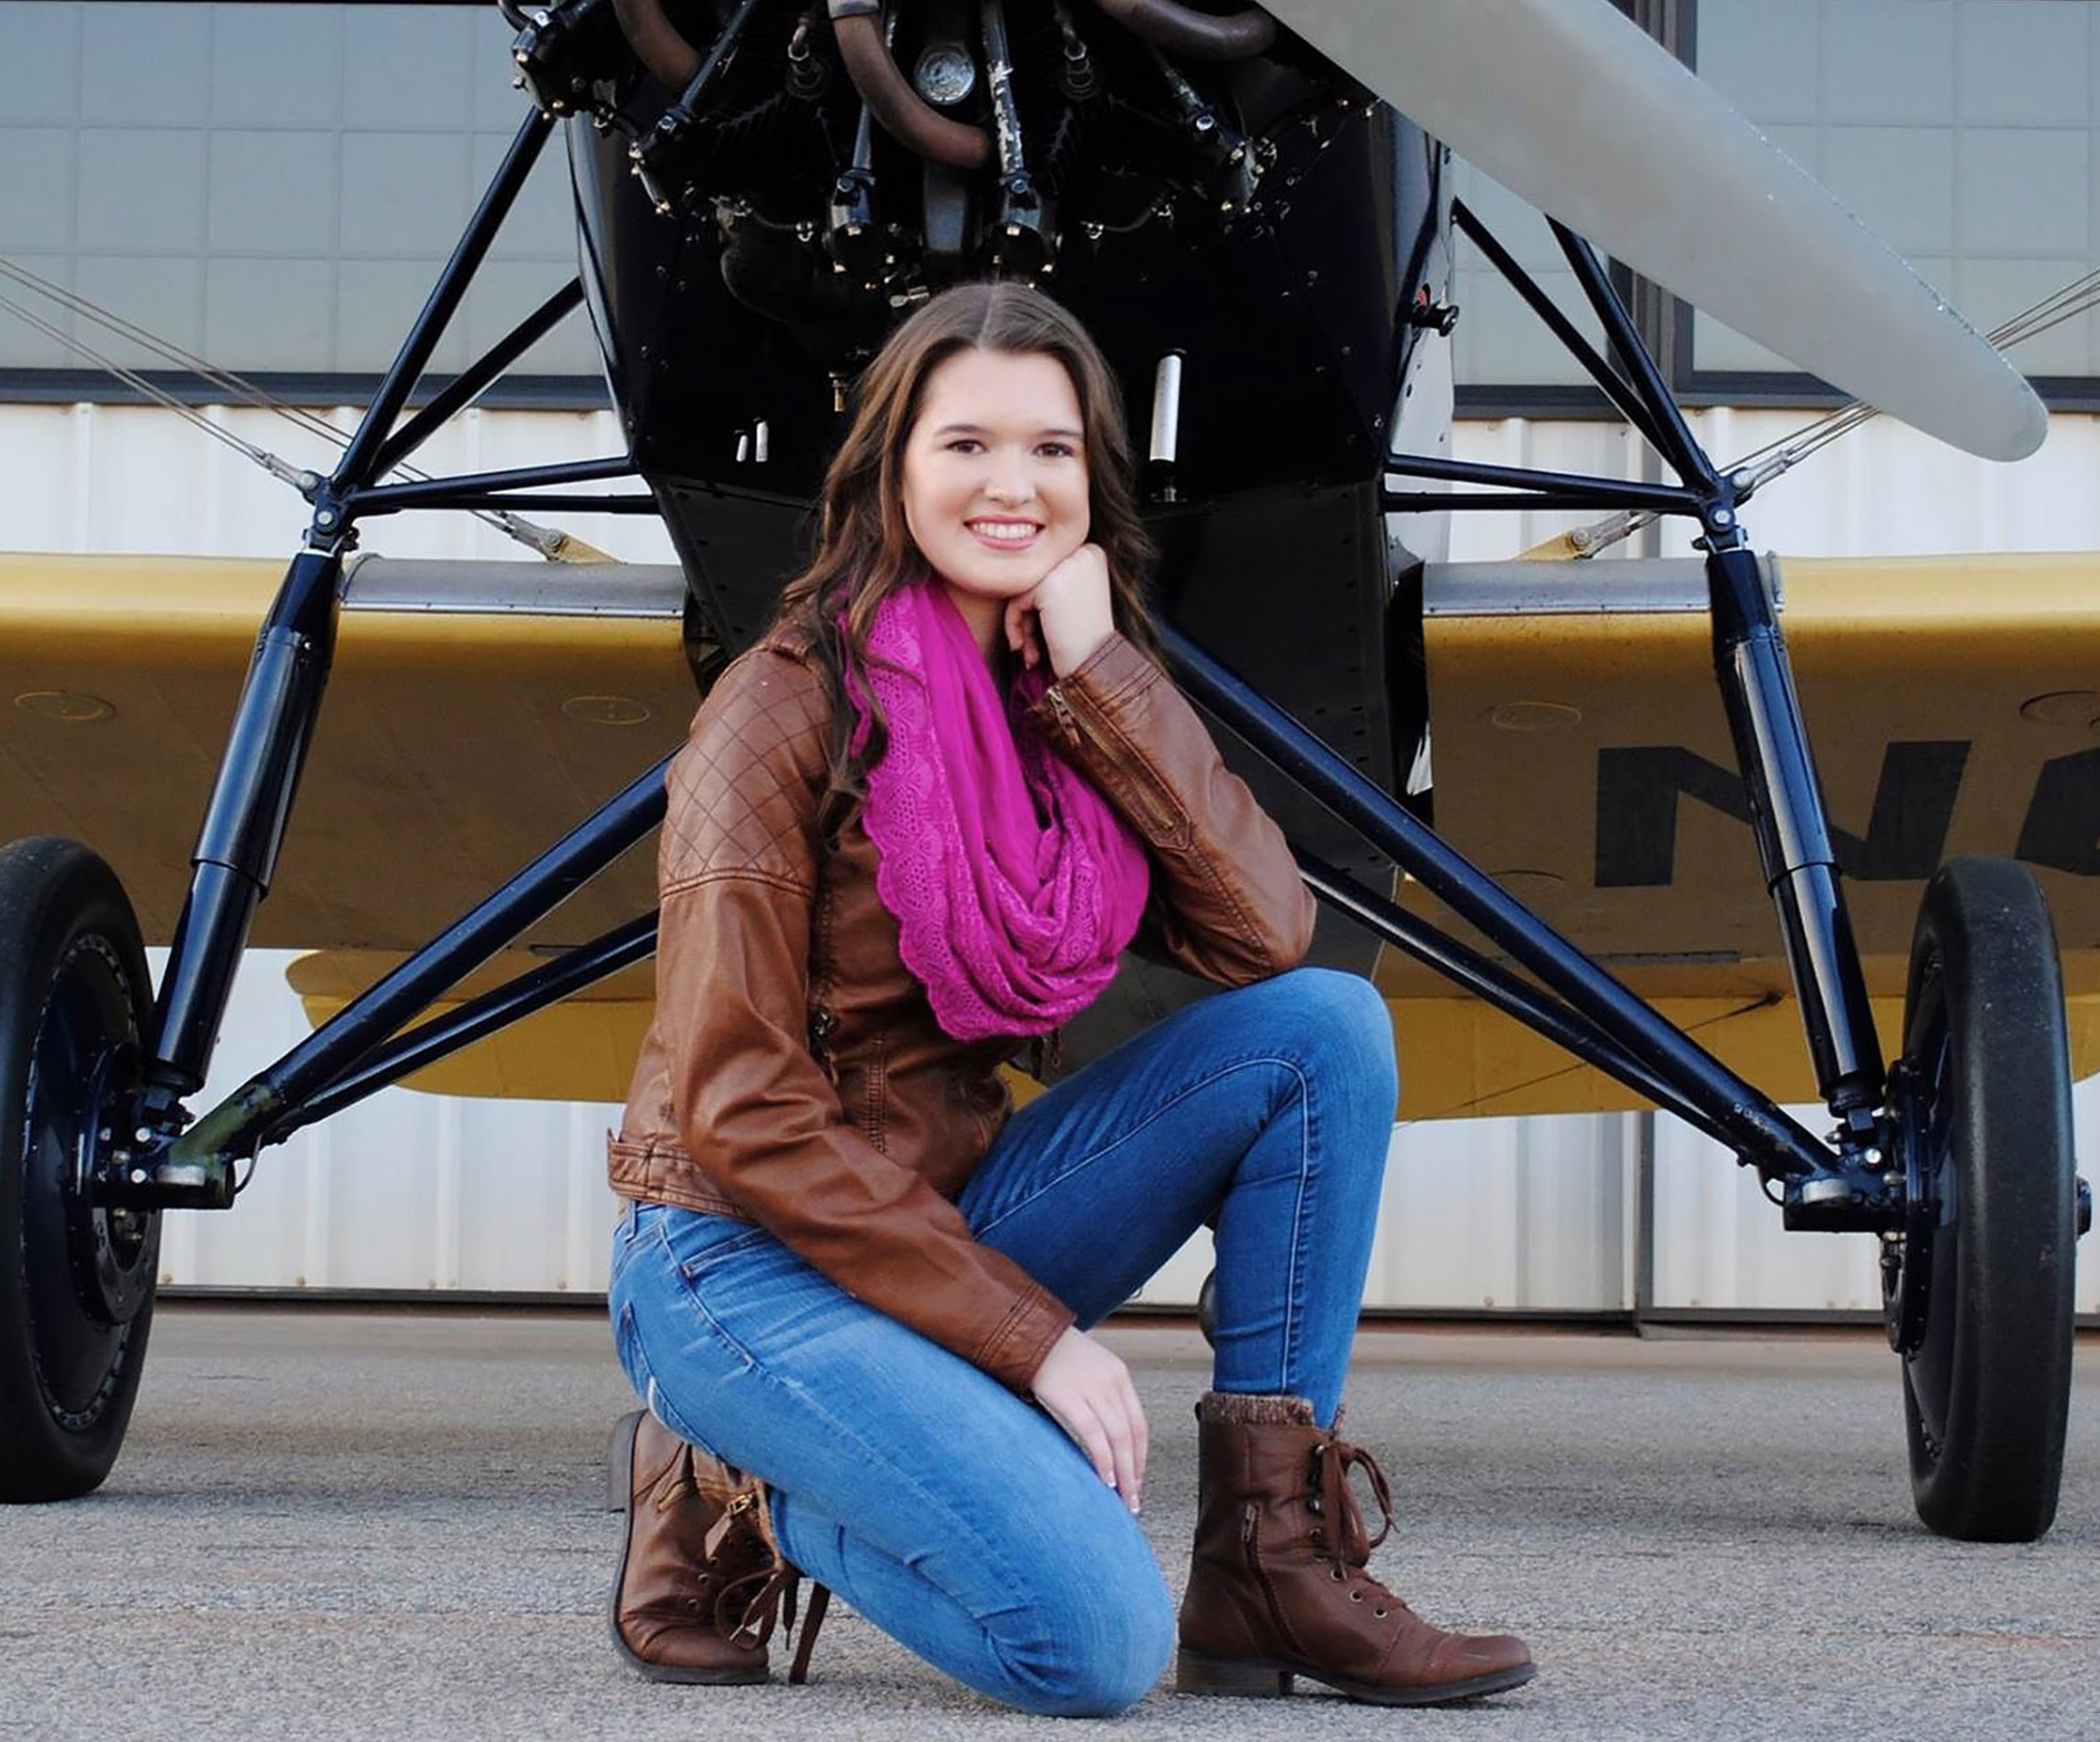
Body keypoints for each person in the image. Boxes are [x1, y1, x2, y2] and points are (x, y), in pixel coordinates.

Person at [604, 280, 1535, 1713]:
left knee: (1324, 1032)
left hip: (940, 1215)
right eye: (964, 444)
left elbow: (1269, 934)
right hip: (740, 1259)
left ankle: (1267, 1564)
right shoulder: (776, 709)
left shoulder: (1060, 706)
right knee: (1092, 1648)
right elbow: (741, 1116)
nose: (1010, 485)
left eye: (1050, 450)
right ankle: (747, 1481)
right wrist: (1036, 1344)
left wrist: (1104, 667)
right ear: (890, 469)